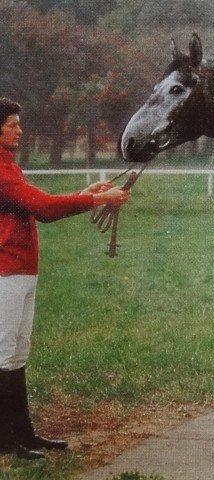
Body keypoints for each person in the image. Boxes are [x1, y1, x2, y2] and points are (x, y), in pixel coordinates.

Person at [0, 97, 130, 459]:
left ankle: (22, 434)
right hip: (5, 271)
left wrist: (87, 194)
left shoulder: (8, 166)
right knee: (3, 352)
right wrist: (97, 201)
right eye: (12, 124)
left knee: (16, 352)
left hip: (21, 269)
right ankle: (7, 439)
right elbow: (42, 209)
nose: (20, 130)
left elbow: (35, 200)